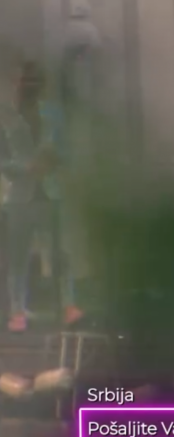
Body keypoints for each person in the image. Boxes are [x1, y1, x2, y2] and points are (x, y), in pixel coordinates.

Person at [0, 59, 81, 331]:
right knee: (18, 257)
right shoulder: (4, 116)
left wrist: (54, 160)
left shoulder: (53, 115)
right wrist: (26, 168)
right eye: (25, 80)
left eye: (34, 80)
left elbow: (67, 149)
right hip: (19, 196)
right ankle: (17, 311)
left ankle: (68, 305)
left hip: (50, 192)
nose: (29, 85)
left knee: (60, 253)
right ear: (16, 83)